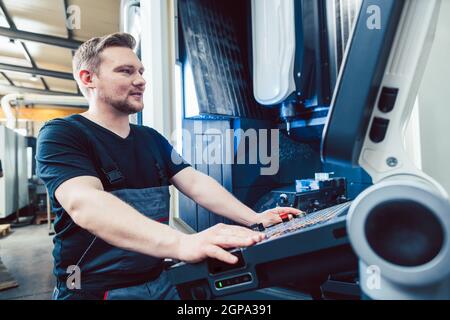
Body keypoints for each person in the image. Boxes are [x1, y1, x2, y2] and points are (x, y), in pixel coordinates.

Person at [36, 33, 300, 300]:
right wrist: (182, 243)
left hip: (159, 282)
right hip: (93, 289)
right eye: (125, 71)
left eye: (140, 71)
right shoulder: (63, 134)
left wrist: (254, 218)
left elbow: (195, 183)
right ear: (88, 78)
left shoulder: (150, 138)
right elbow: (85, 203)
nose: (140, 80)